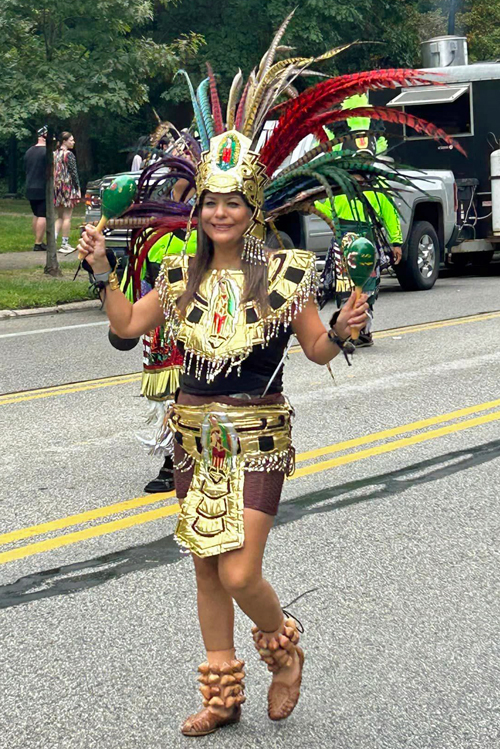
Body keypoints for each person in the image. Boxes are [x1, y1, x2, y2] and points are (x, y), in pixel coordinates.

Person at [77, 15, 458, 735]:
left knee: (240, 571)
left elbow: (314, 350)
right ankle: (223, 694)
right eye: (210, 201)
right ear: (200, 209)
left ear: (251, 208)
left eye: (232, 201)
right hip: (191, 436)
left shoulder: (283, 274)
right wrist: (101, 270)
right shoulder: (179, 274)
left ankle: (283, 647)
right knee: (203, 566)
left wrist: (344, 328)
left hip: (257, 434)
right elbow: (128, 327)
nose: (220, 211)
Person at [53, 131, 81, 254]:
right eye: (71, 140)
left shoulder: (54, 154)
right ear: (64, 141)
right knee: (67, 217)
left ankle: (52, 240)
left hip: (57, 187)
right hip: (67, 187)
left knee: (59, 216)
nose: (73, 142)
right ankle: (64, 243)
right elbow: (73, 173)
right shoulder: (68, 155)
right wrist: (78, 188)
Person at [24, 126, 47, 252]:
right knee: (43, 215)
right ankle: (38, 243)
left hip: (30, 186)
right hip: (42, 186)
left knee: (36, 214)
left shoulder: (29, 151)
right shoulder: (46, 152)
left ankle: (38, 239)